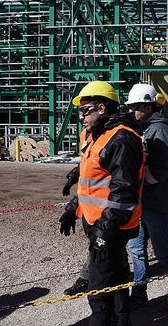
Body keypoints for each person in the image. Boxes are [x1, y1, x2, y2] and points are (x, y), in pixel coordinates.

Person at [58, 80, 144, 325]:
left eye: (85, 110)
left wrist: (106, 229)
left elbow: (123, 192)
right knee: (115, 278)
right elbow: (93, 183)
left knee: (98, 286)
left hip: (111, 225)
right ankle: (121, 320)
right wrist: (72, 208)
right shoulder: (99, 136)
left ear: (102, 109)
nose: (82, 116)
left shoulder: (122, 139)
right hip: (100, 222)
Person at [124, 83, 168, 311]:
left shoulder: (159, 129)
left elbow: (162, 167)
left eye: (135, 108)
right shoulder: (146, 128)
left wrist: (138, 179)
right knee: (137, 249)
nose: (132, 112)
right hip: (142, 202)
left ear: (148, 107)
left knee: (161, 252)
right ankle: (139, 292)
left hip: (156, 204)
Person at [61, 127, 92, 296]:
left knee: (99, 247)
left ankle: (85, 279)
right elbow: (87, 162)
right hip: (89, 207)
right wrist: (74, 176)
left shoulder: (113, 136)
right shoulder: (86, 132)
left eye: (87, 109)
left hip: (106, 212)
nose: (83, 114)